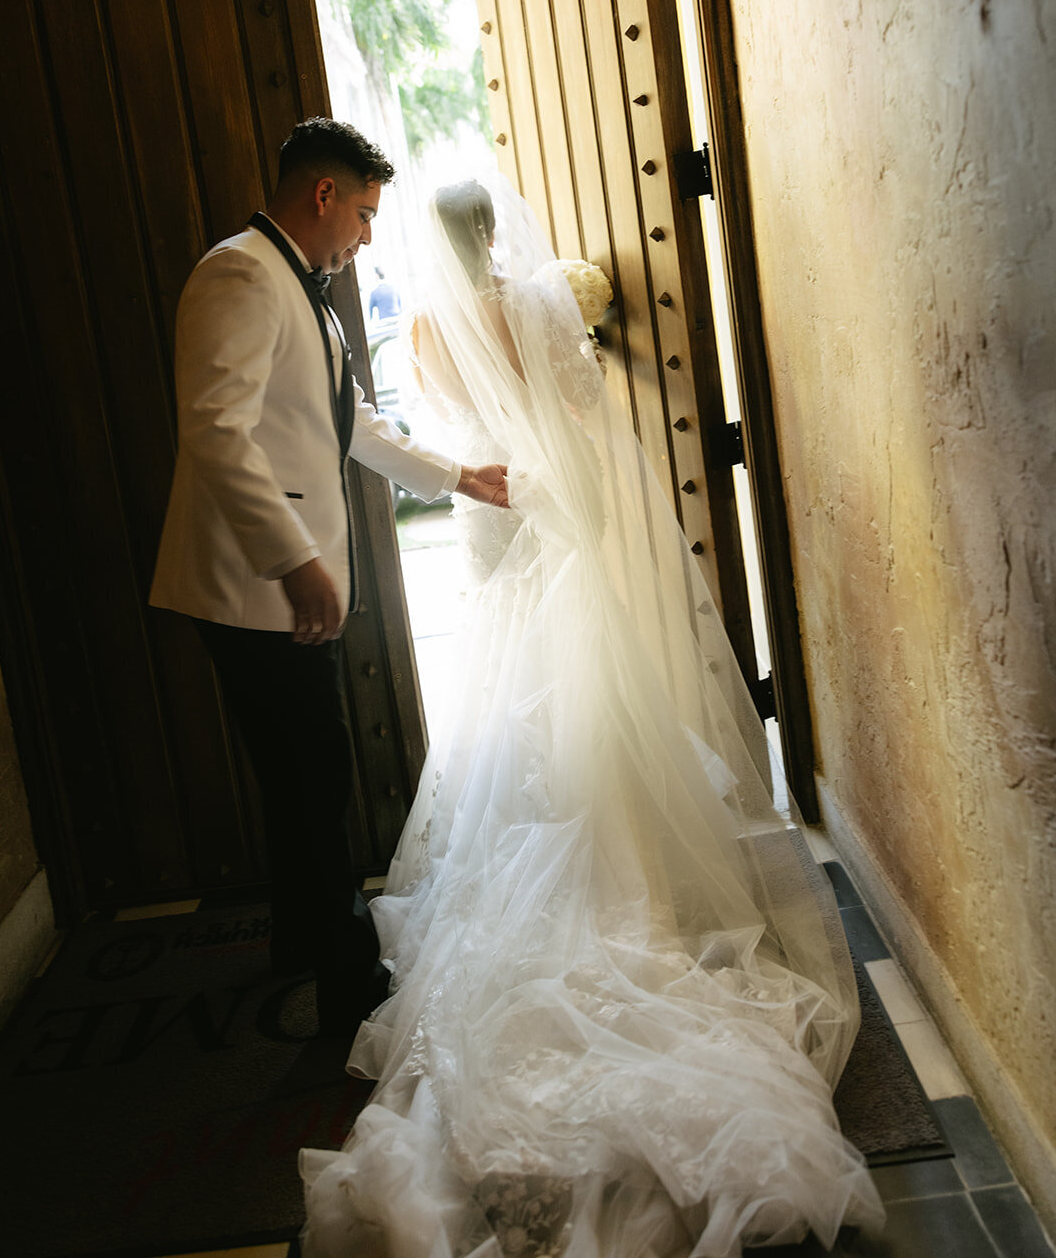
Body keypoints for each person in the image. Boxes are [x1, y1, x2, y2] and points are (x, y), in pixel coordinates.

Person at [299, 174, 885, 1254]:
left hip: (491, 513)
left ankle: (539, 832)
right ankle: (622, 855)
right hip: (552, 502)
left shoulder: (426, 325)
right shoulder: (537, 302)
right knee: (580, 680)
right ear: (495, 233)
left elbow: (442, 425)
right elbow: (578, 409)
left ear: (433, 244)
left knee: (505, 685)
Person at [149, 120, 507, 1038]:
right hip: (247, 582)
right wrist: (296, 562)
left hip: (274, 577)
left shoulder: (305, 286)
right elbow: (215, 433)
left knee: (300, 770)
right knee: (314, 775)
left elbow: (349, 419)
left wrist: (457, 475)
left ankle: (300, 944)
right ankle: (350, 984)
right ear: (322, 196)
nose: (365, 233)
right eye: (362, 210)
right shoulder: (237, 274)